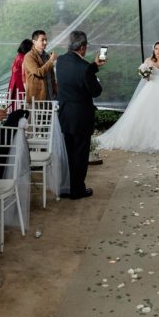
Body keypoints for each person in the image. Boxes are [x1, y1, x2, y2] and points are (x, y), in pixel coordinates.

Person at [97, 42, 159, 152]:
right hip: (151, 89)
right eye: (156, 49)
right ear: (153, 50)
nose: (158, 51)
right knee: (147, 113)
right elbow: (145, 77)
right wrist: (145, 74)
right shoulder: (148, 60)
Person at [57, 30, 104, 199]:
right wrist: (91, 71)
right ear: (83, 47)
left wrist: (93, 66)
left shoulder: (61, 61)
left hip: (65, 114)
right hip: (81, 116)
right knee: (80, 154)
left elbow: (76, 71)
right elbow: (96, 91)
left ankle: (66, 186)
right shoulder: (84, 69)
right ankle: (77, 190)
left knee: (68, 153)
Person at [23, 30, 58, 102]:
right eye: (42, 40)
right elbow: (38, 72)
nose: (45, 42)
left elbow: (52, 76)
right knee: (37, 114)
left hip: (50, 96)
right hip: (37, 98)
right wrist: (51, 61)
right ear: (34, 42)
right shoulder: (29, 56)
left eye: (46, 40)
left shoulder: (47, 56)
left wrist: (56, 91)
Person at [9, 38, 32, 103]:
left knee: (15, 103)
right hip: (20, 84)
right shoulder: (24, 58)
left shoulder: (19, 56)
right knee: (20, 103)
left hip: (14, 82)